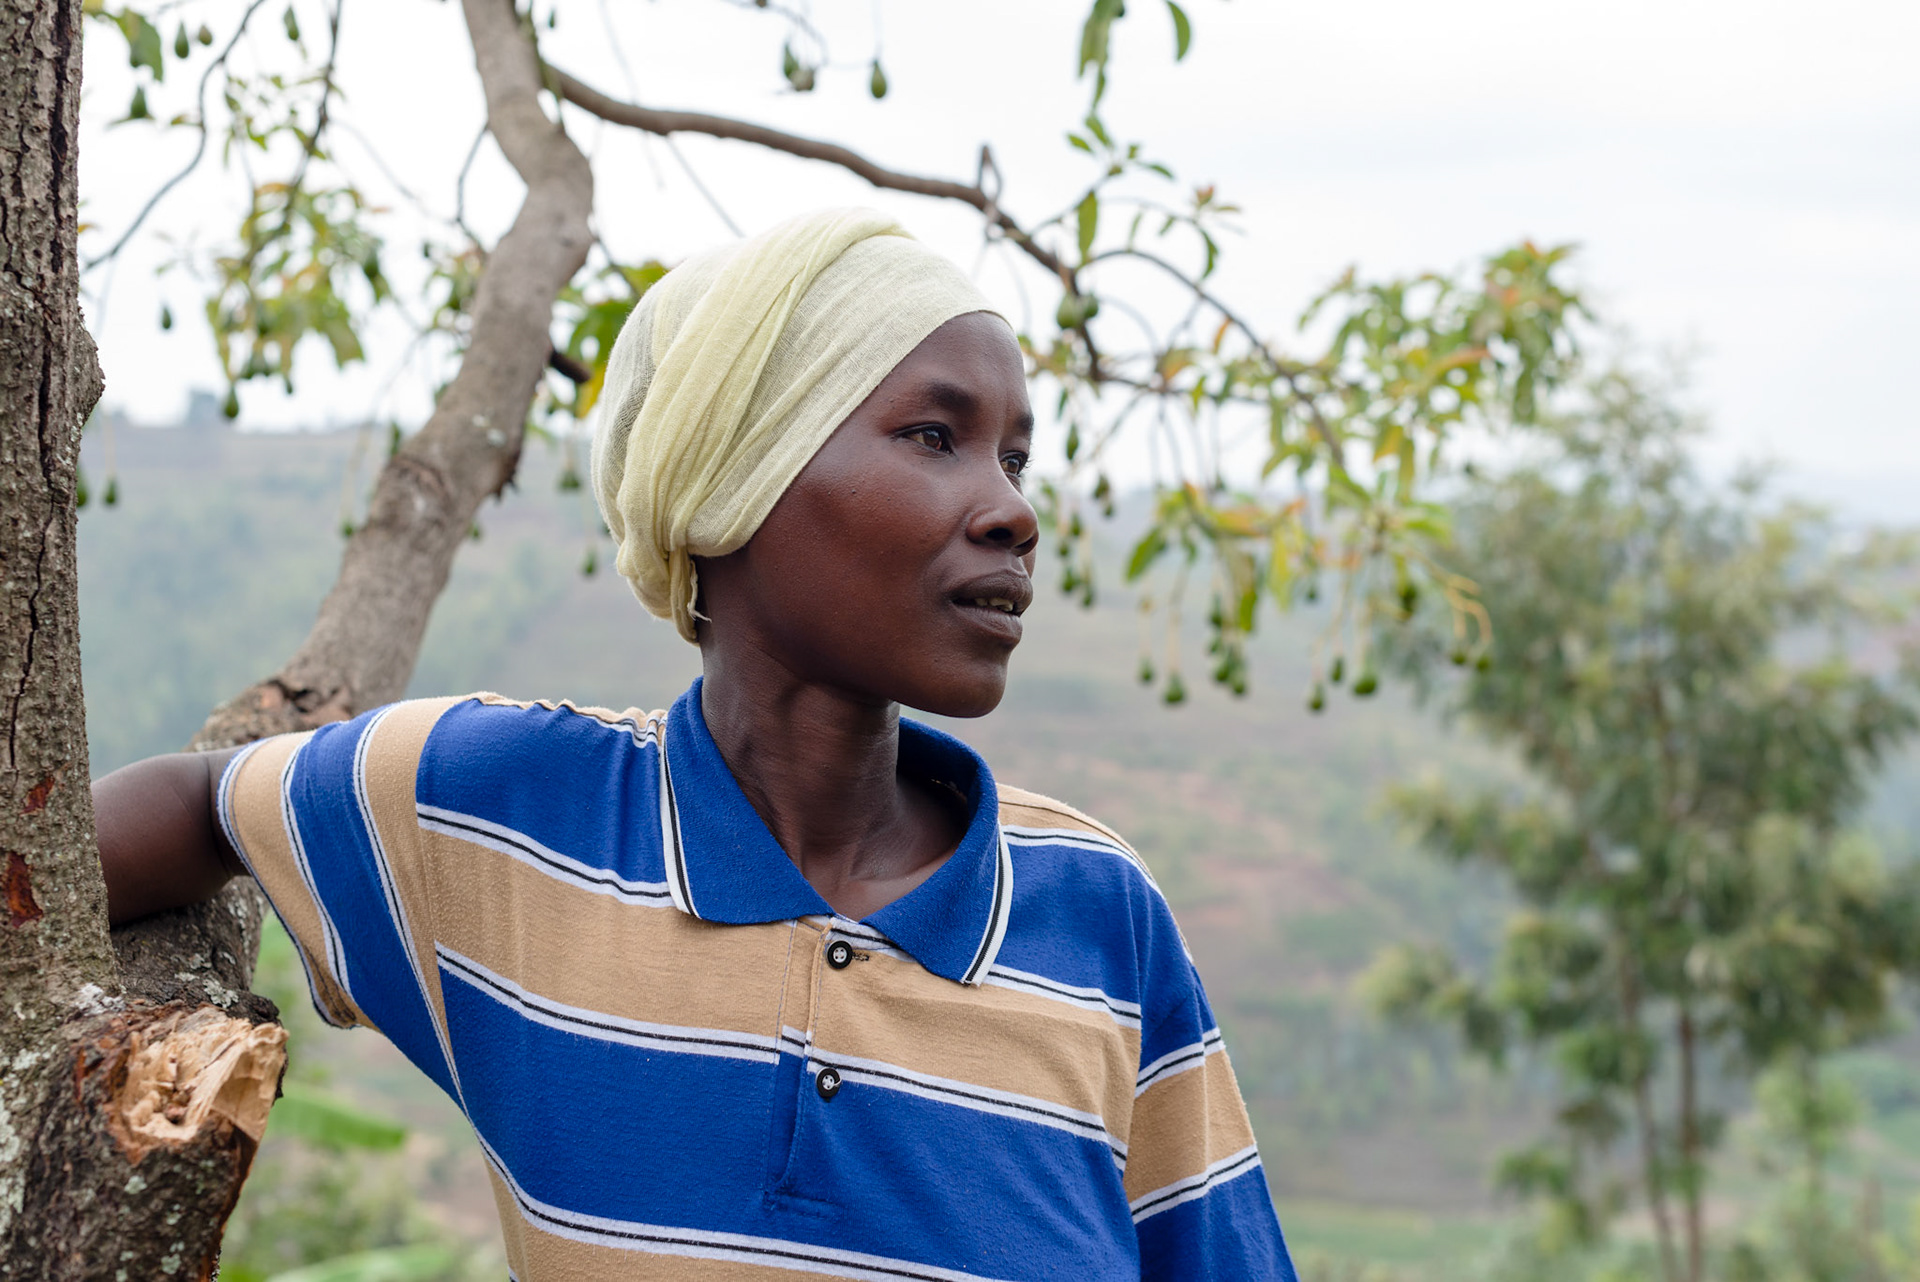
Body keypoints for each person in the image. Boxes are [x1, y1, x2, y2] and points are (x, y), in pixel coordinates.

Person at [93, 208, 1298, 1280]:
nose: (1014, 510)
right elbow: (203, 807)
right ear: (735, 482)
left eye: (1014, 455)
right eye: (935, 436)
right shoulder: (507, 816)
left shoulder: (1098, 920)